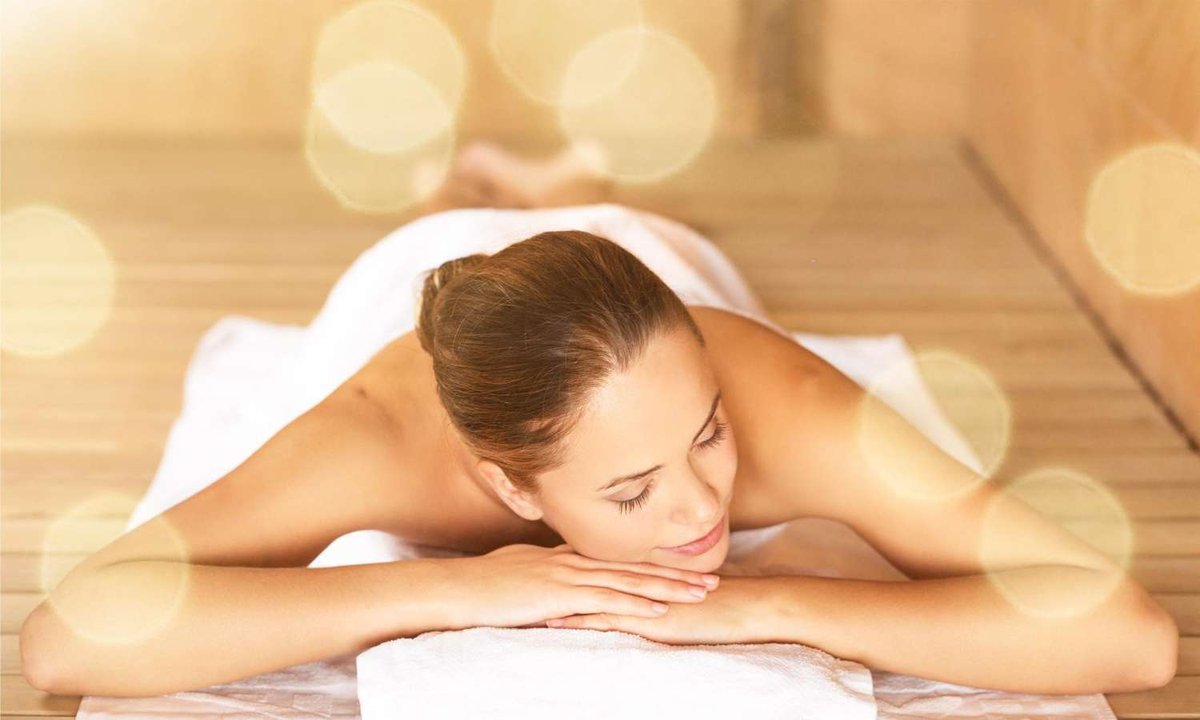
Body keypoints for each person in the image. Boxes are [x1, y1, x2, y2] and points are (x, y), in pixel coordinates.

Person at [20, 141, 1177, 698]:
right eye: (630, 493)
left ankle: (570, 185)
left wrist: (769, 606)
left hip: (647, 269)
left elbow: (1130, 635)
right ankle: (472, 186)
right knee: (448, 215)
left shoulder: (783, 401)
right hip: (409, 277)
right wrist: (456, 587)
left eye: (707, 436)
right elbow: (67, 636)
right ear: (508, 486)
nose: (700, 506)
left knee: (629, 219)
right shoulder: (379, 434)